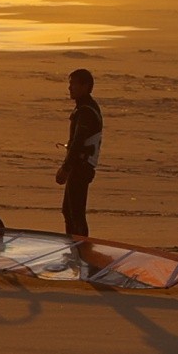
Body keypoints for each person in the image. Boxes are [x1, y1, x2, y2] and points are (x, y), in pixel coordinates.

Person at [54, 67, 103, 237]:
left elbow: (78, 142)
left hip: (81, 167)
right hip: (81, 165)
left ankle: (80, 250)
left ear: (85, 86)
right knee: (69, 212)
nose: (69, 88)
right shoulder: (86, 107)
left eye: (73, 84)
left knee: (75, 214)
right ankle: (75, 248)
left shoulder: (86, 111)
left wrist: (65, 168)